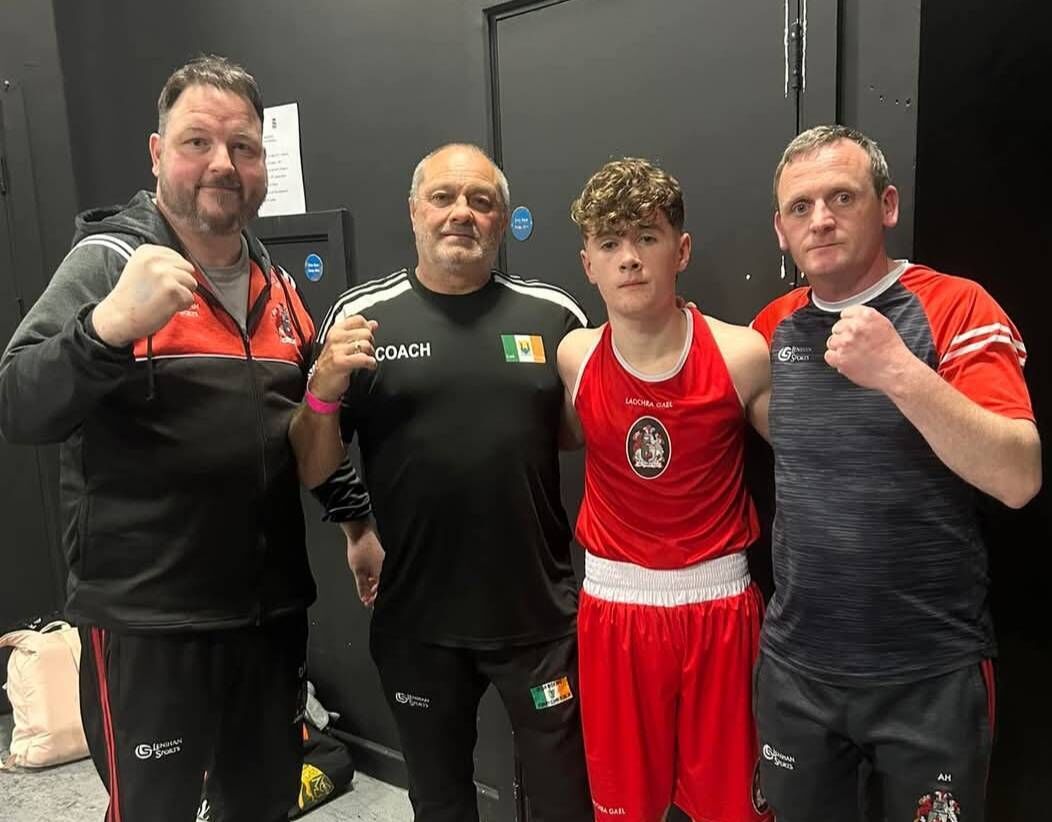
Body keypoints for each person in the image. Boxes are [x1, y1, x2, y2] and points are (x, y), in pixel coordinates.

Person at [0, 55, 370, 822]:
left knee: (262, 803)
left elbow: (299, 421)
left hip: (266, 620)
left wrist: (355, 518)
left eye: (243, 147)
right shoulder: (107, 262)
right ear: (157, 153)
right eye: (197, 141)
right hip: (150, 625)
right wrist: (106, 329)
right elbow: (17, 404)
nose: (222, 165)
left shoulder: (280, 288)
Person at [290, 143, 593, 822]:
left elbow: (584, 434)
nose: (462, 213)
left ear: (502, 219)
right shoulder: (360, 316)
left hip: (539, 623)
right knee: (440, 804)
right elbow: (312, 461)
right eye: (444, 197)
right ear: (414, 211)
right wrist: (356, 522)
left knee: (564, 803)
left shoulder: (555, 316)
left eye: (481, 201)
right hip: (418, 623)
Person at [751, 125, 1041, 822]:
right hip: (798, 670)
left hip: (928, 674)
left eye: (840, 197)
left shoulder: (955, 306)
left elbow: (1017, 475)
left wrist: (900, 373)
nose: (820, 219)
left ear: (886, 205)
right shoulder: (772, 327)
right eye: (800, 207)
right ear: (781, 230)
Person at [557, 158, 772, 822]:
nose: (630, 259)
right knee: (624, 808)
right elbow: (556, 442)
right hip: (614, 607)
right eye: (611, 242)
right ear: (587, 262)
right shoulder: (575, 355)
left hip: (720, 607)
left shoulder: (741, 353)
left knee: (734, 807)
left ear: (680, 250)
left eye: (646, 238)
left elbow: (819, 460)